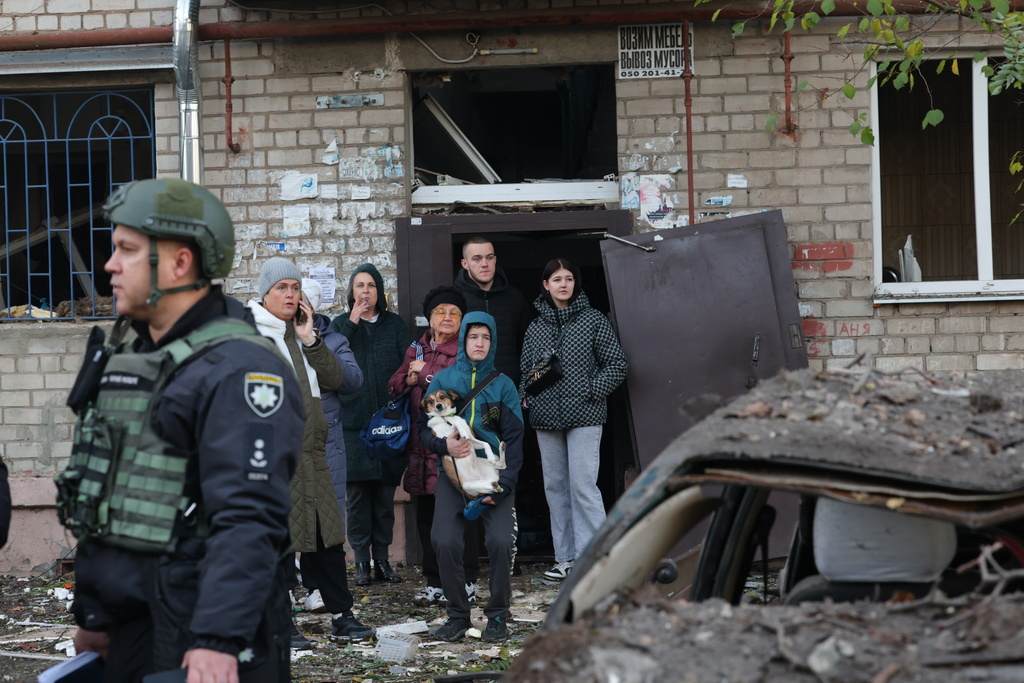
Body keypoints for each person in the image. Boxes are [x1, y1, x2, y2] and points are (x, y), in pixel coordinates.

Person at [58, 178, 305, 682]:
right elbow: (114, 493)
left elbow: (248, 516)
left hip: (202, 636)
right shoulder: (137, 357)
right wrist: (97, 616)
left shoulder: (239, 369)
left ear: (179, 263)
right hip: (132, 626)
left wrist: (217, 640)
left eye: (127, 250)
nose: (110, 265)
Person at [247, 259, 372, 645]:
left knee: (326, 540)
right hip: (276, 458)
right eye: (281, 287)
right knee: (281, 541)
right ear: (265, 294)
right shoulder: (252, 337)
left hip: (316, 455)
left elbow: (340, 380)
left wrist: (310, 340)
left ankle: (342, 617)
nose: (290, 294)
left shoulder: (305, 333)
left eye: (295, 287)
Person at [418, 312, 524, 643]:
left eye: (486, 337)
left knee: (501, 542)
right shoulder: (443, 380)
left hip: (493, 475)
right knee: (445, 541)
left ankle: (497, 615)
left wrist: (505, 484)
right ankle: (458, 616)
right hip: (453, 476)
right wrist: (442, 444)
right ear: (463, 341)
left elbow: (516, 438)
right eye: (473, 337)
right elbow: (423, 431)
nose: (479, 343)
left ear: (492, 343)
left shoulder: (503, 385)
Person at [519, 257, 627, 583]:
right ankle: (565, 559)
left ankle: (596, 559)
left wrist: (592, 390)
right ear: (546, 285)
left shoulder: (593, 320)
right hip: (546, 417)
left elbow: (617, 365)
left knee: (583, 486)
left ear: (574, 284)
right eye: (556, 279)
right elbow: (527, 372)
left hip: (586, 415)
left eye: (568, 278)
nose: (563, 284)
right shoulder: (536, 326)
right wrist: (532, 395)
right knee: (555, 489)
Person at [387, 286, 480, 606]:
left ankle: (466, 579)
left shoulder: (465, 349)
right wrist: (410, 378)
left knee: (461, 513)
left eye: (454, 313)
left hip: (453, 445)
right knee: (426, 514)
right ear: (429, 317)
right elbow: (395, 382)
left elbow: (458, 388)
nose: (447, 318)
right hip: (419, 445)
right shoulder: (417, 348)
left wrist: (424, 374)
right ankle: (435, 581)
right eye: (441, 311)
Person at [330, 263, 411, 585]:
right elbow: (331, 360)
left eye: (371, 286)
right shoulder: (339, 324)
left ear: (380, 292)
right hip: (352, 425)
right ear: (351, 292)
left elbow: (407, 363)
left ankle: (383, 561)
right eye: (359, 286)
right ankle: (361, 563)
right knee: (358, 499)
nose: (365, 291)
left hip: (389, 425)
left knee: (384, 499)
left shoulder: (394, 325)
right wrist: (351, 322)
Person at [299, 278, 364, 615]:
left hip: (327, 447)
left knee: (326, 524)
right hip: (290, 444)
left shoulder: (334, 340)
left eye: (303, 302)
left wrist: (310, 341)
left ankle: (326, 595)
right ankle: (300, 589)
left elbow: (352, 381)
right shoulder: (273, 339)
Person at [454, 235, 533, 380]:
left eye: (489, 258)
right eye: (477, 259)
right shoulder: (454, 299)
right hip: (468, 386)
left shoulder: (514, 297)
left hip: (509, 385)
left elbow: (528, 347)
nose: (484, 264)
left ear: (495, 260)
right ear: (465, 264)